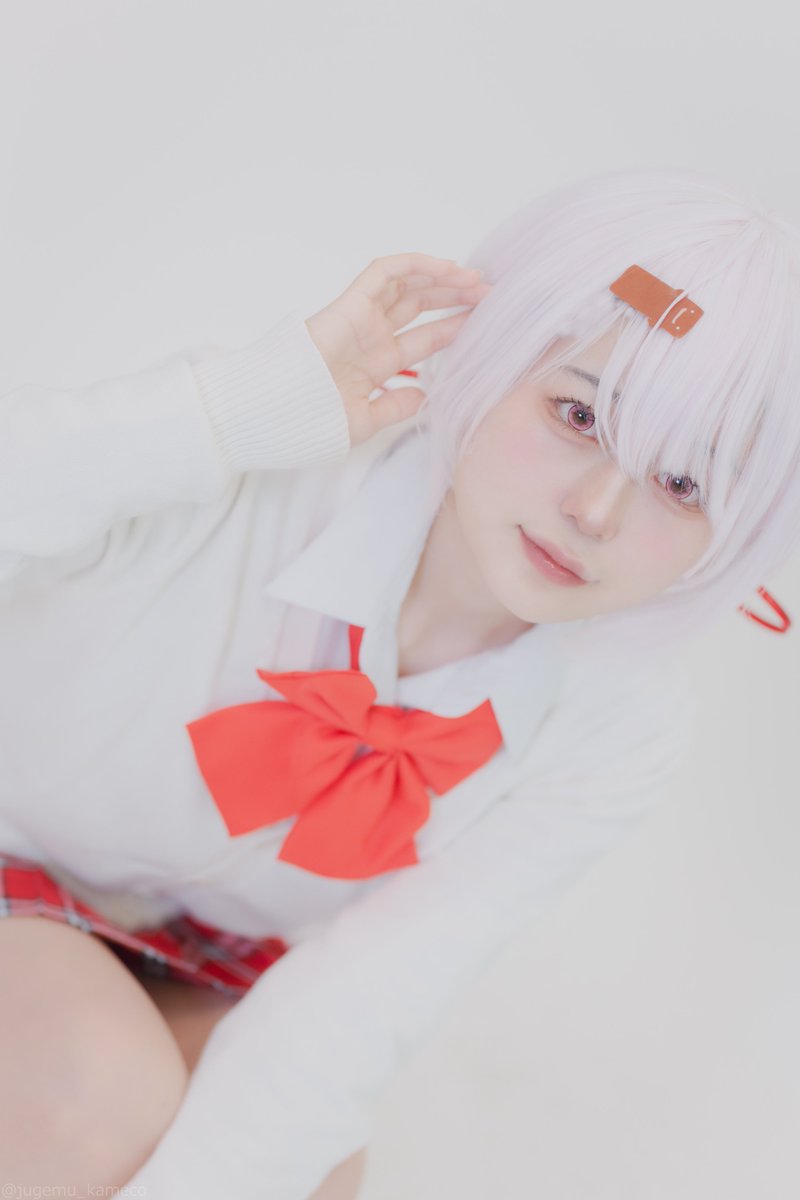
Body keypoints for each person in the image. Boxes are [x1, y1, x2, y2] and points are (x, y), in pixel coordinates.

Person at [1, 165, 798, 1200]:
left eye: (682, 483)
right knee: (95, 1095)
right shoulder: (261, 454)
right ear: (496, 353)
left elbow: (357, 1008)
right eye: (577, 414)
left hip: (172, 950)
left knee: (308, 1169)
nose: (597, 510)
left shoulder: (617, 722)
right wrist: (224, 413)